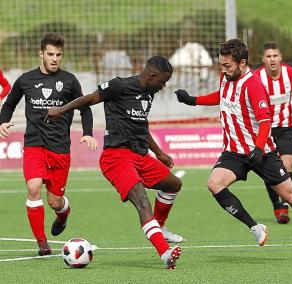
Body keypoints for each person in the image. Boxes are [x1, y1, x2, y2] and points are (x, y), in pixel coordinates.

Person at [175, 38, 292, 262]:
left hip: (261, 152)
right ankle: (256, 228)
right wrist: (193, 100)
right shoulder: (226, 76)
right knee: (214, 183)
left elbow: (265, 121)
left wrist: (256, 149)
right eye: (221, 65)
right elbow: (223, 96)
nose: (223, 70)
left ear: (242, 63)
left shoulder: (253, 84)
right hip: (234, 152)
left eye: (227, 65)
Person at [45, 56, 183, 269]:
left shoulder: (148, 94)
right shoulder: (119, 85)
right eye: (162, 82)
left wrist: (159, 153)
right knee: (142, 201)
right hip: (116, 157)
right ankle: (164, 252)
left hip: (141, 156)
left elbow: (141, 126)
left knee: (174, 184)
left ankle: (160, 226)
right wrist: (61, 110)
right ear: (152, 75)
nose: (164, 87)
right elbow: (89, 99)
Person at [0, 33, 98, 256]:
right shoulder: (25, 80)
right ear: (41, 54)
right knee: (33, 188)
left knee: (54, 201)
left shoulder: (70, 80)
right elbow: (9, 104)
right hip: (34, 145)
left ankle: (63, 214)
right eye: (51, 54)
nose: (55, 59)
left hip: (60, 149)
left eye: (59, 55)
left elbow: (85, 107)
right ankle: (42, 243)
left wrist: (88, 133)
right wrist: (2, 122)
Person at [254, 41, 292, 224]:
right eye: (268, 56)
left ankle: (286, 205)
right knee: (269, 171)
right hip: (266, 130)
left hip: (288, 128)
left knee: (286, 166)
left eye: (275, 56)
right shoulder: (256, 78)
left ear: (280, 57)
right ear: (263, 59)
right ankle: (277, 205)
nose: (272, 59)